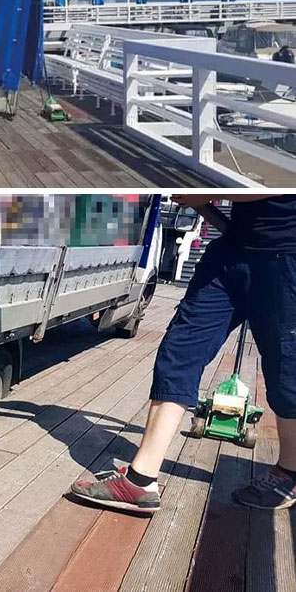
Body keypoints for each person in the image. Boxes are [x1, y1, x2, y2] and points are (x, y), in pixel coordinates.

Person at [70, 194, 296, 513]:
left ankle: (289, 472)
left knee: (286, 369)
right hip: (231, 251)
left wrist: (206, 195)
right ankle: (140, 480)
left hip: (286, 257)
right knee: (181, 348)